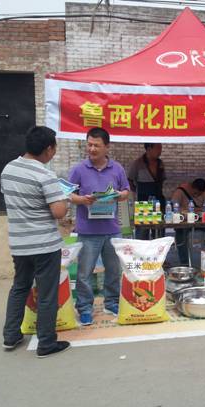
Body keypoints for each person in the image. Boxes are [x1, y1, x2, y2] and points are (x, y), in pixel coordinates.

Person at [1, 126, 71, 358]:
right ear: (49, 149)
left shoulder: (8, 169)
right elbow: (59, 212)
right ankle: (47, 343)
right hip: (44, 245)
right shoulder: (45, 175)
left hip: (19, 243)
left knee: (20, 287)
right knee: (47, 293)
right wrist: (65, 197)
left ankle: (11, 335)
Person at [68, 127, 130, 325]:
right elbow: (68, 194)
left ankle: (111, 302)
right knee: (84, 273)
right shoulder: (79, 169)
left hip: (112, 230)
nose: (92, 149)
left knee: (113, 270)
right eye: (89, 144)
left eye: (96, 145)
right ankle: (85, 308)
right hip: (87, 231)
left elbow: (126, 191)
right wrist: (82, 200)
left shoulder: (117, 169)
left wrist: (119, 195)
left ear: (107, 147)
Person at [171, 178, 205, 265]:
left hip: (200, 220)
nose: (196, 196)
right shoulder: (180, 191)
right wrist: (186, 210)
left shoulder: (204, 192)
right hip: (184, 220)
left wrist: (197, 210)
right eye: (195, 193)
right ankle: (184, 263)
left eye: (199, 194)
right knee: (180, 234)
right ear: (191, 187)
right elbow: (173, 207)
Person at [128, 143, 166, 239]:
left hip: (159, 201)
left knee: (159, 234)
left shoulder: (160, 163)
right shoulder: (138, 163)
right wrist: (135, 192)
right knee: (142, 233)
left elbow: (163, 179)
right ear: (149, 149)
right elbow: (130, 180)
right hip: (143, 201)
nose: (160, 151)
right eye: (158, 148)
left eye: (161, 148)